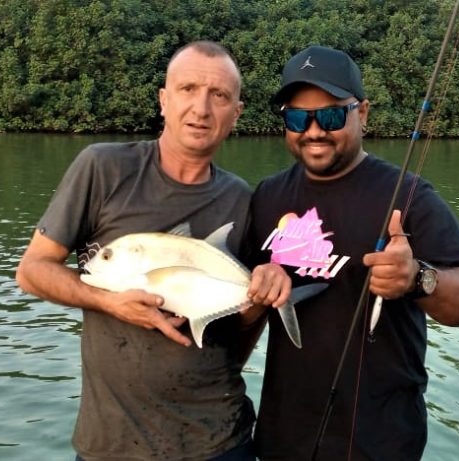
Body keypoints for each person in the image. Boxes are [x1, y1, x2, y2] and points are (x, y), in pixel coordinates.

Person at [15, 41, 290, 461]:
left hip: (220, 440)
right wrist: (111, 303)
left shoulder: (241, 198)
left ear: (236, 114)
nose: (201, 108)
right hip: (112, 444)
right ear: (163, 100)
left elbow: (244, 319)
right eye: (188, 89)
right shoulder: (103, 168)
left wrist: (263, 296)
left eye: (219, 96)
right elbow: (32, 270)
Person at [244, 45, 459, 460]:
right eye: (298, 117)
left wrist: (417, 278)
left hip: (379, 443)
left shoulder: (409, 197)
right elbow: (246, 313)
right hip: (282, 437)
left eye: (331, 115)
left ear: (363, 114)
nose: (314, 130)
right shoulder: (268, 196)